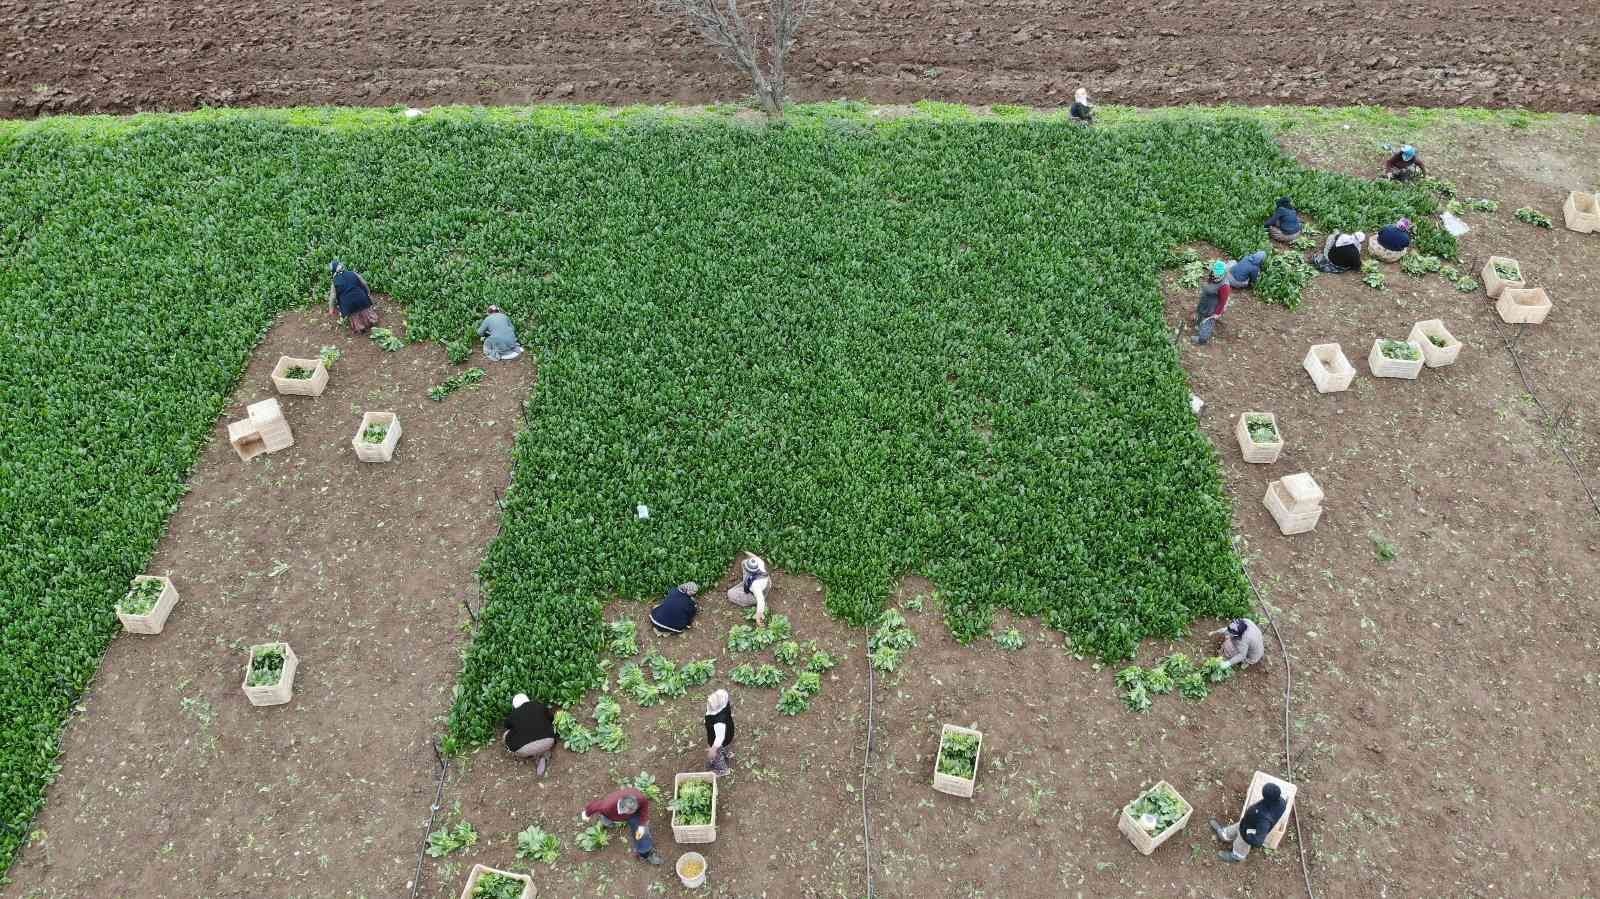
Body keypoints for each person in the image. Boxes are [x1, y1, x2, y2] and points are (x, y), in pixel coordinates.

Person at [1209, 782, 1289, 863]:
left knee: (1241, 843)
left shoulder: (1265, 821)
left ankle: (1236, 856)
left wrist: (1247, 835)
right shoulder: (1281, 801)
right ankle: (1224, 835)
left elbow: (1258, 841)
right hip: (1247, 822)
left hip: (1249, 830)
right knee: (1234, 829)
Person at [582, 787, 663, 865]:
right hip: (611, 814)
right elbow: (595, 806)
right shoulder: (607, 806)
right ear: (621, 805)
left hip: (632, 815)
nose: (632, 812)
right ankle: (608, 824)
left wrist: (641, 826)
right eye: (630, 811)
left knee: (643, 833)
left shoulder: (640, 799)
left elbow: (643, 810)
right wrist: (586, 814)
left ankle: (645, 853)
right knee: (607, 819)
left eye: (634, 809)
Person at [502, 693, 556, 776]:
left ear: (514, 706)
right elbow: (551, 718)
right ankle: (543, 753)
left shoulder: (513, 714)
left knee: (506, 734)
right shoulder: (539, 705)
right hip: (549, 740)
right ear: (528, 700)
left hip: (524, 750)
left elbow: (506, 725)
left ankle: (534, 755)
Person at [326, 260, 379, 334]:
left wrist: (331, 309)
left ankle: (360, 327)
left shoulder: (334, 282)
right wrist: (368, 292)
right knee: (365, 309)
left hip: (349, 304)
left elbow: (333, 297)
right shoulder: (353, 273)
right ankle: (371, 321)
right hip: (361, 298)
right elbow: (364, 283)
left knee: (354, 314)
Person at [1192, 261, 1231, 346]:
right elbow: (1209, 282)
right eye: (1215, 273)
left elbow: (1223, 301)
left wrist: (1217, 313)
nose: (1216, 276)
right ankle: (1199, 325)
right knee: (1201, 312)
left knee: (1208, 321)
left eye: (1218, 275)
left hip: (1212, 306)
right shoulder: (1212, 274)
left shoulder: (1225, 286)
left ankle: (1202, 339)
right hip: (1206, 300)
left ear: (1223, 273)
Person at [726, 554, 772, 626]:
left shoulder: (755, 585)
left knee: (730, 593)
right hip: (766, 581)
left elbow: (761, 600)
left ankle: (751, 601)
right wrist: (745, 550)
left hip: (759, 593)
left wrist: (758, 616)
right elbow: (753, 556)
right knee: (743, 562)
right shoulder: (759, 562)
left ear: (752, 573)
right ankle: (745, 585)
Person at [704, 689, 735, 776]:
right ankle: (728, 753)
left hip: (720, 738)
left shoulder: (718, 721)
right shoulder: (724, 698)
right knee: (727, 744)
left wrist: (713, 750)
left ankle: (723, 770)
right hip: (728, 732)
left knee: (717, 756)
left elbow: (719, 738)